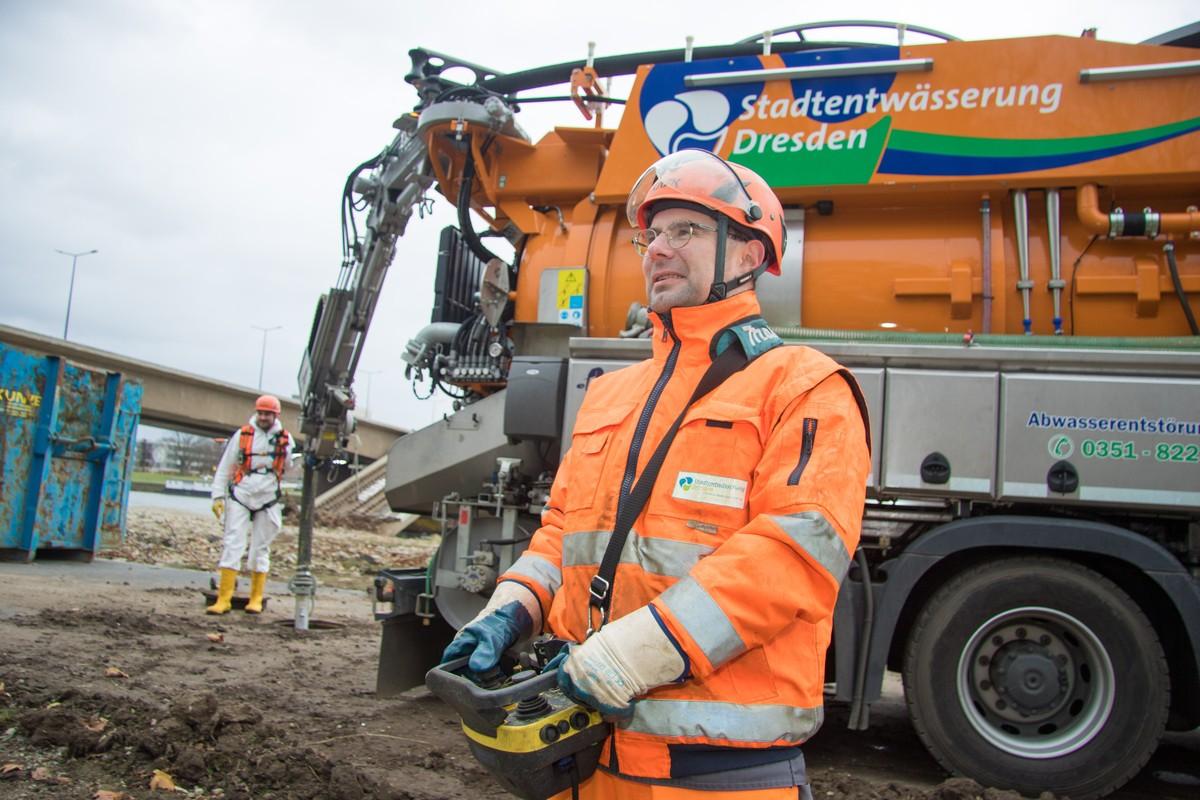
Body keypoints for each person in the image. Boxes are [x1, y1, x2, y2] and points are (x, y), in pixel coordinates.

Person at [443, 150, 871, 798]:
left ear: (749, 255)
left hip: (718, 778)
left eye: (688, 231)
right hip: (582, 762)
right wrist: (513, 608)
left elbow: (791, 560)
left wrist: (632, 654)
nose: (658, 250)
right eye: (652, 235)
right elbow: (564, 532)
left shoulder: (804, 386)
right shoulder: (611, 394)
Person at [207, 394, 294, 615]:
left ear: (276, 415)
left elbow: (290, 465)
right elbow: (226, 465)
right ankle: (224, 598)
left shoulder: (286, 439)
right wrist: (218, 496)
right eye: (260, 413)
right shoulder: (242, 435)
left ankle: (256, 598)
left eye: (268, 413)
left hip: (268, 498)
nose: (263, 417)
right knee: (233, 542)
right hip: (241, 495)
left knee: (260, 548)